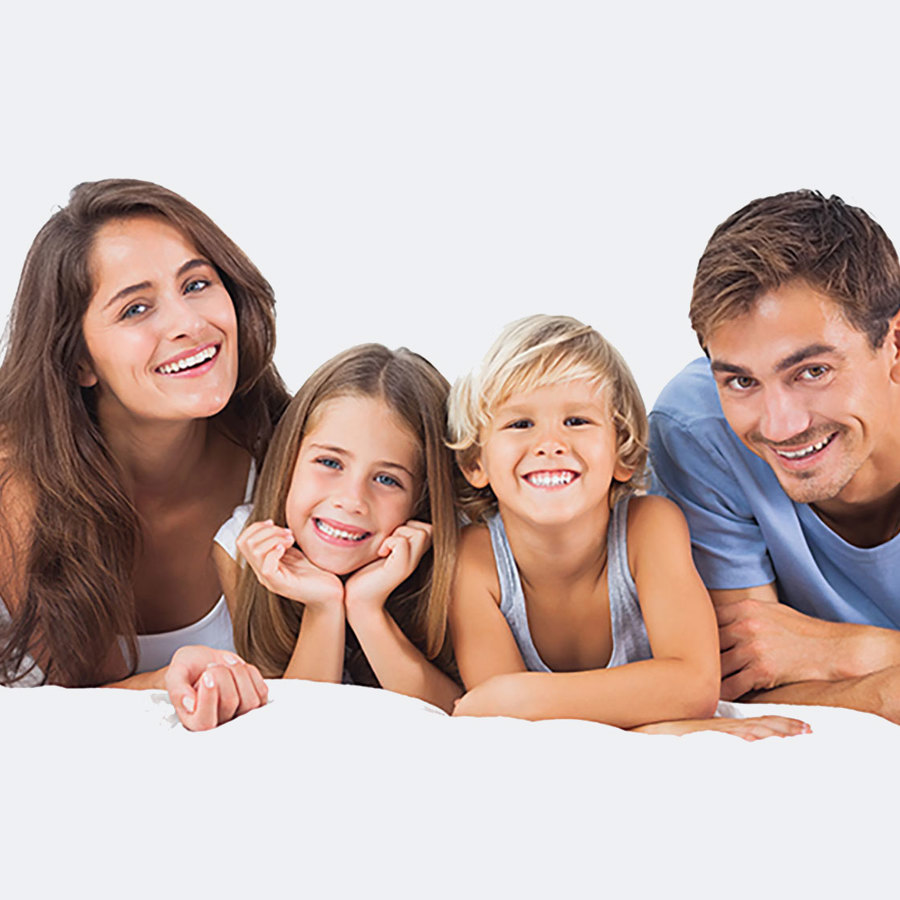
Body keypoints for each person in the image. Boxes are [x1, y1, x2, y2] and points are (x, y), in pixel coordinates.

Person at [0, 179, 290, 730]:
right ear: (77, 361)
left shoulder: (292, 458)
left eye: (198, 283)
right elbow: (73, 697)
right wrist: (163, 683)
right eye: (136, 309)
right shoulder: (15, 479)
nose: (187, 324)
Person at [446, 314, 810, 739]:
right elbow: (504, 727)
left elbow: (695, 686)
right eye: (519, 424)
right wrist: (659, 726)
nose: (550, 444)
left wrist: (525, 698)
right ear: (475, 462)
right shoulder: (474, 558)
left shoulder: (649, 528)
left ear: (623, 453)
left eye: (577, 421)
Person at [650, 190, 900, 723]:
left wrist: (853, 652)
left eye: (812, 371)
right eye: (742, 380)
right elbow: (741, 685)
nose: (781, 425)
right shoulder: (697, 429)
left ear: (895, 346)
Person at [220, 343, 462, 712]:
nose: (351, 500)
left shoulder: (462, 557)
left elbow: (462, 716)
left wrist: (367, 610)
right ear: (289, 460)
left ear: (422, 500)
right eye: (330, 462)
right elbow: (294, 721)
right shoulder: (240, 549)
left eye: (386, 479)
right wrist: (323, 606)